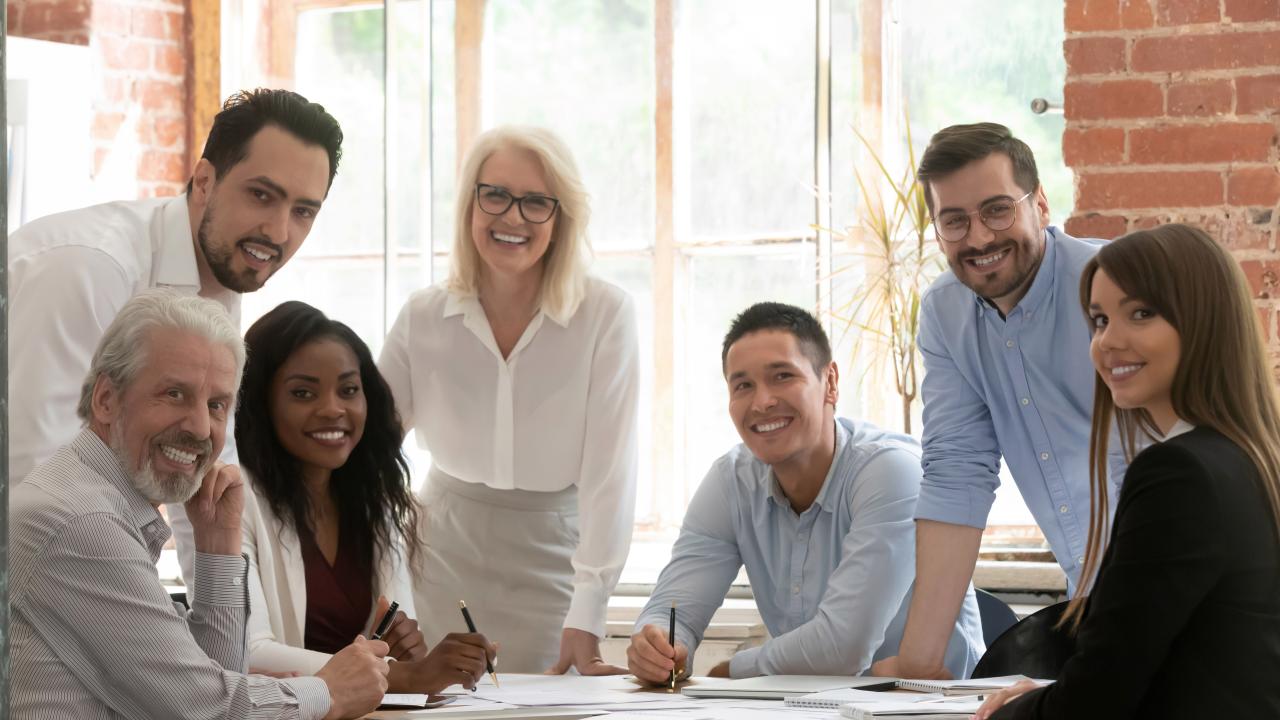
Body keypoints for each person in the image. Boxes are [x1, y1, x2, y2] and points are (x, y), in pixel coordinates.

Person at [9, 290, 389, 719]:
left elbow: (210, 681)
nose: (199, 427)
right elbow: (201, 708)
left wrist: (218, 548)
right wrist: (329, 691)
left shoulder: (98, 502)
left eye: (216, 405)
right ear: (106, 399)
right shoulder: (80, 521)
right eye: (174, 394)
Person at [973, 225, 1280, 718]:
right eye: (1098, 320)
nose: (1107, 341)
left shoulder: (1179, 473)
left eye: (1141, 313)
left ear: (1204, 322)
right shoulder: (1250, 458)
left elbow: (1097, 699)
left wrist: (1006, 713)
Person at [379, 125, 640, 674]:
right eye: (494, 194)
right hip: (438, 556)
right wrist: (385, 580)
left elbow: (610, 478)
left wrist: (589, 613)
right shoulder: (422, 316)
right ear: (470, 202)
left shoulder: (606, 315)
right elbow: (367, 459)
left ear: (560, 216)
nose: (512, 217)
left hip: (554, 564)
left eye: (536, 203)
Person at [874, 122, 1126, 680]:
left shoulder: (1113, 286)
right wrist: (919, 663)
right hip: (1092, 604)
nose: (980, 238)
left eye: (997, 210)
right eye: (954, 220)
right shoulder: (945, 315)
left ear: (1040, 202)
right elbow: (956, 474)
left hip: (1184, 590)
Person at [627, 303, 984, 683]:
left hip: (933, 705)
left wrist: (730, 670)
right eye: (743, 385)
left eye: (782, 376)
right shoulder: (730, 481)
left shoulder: (891, 471)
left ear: (830, 382)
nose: (762, 401)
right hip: (810, 705)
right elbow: (675, 610)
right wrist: (661, 646)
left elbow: (843, 645)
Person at [8, 88, 343, 483]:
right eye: (261, 195)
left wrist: (222, 543)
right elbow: (33, 481)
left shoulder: (222, 273)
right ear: (203, 182)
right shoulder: (93, 269)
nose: (279, 231)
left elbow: (208, 466)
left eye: (303, 211)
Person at [235, 301, 496, 692]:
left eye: (349, 390)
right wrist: (402, 674)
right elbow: (248, 652)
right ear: (261, 402)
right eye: (303, 393)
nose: (332, 409)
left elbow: (398, 643)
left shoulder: (375, 498)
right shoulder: (235, 497)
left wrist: (407, 652)